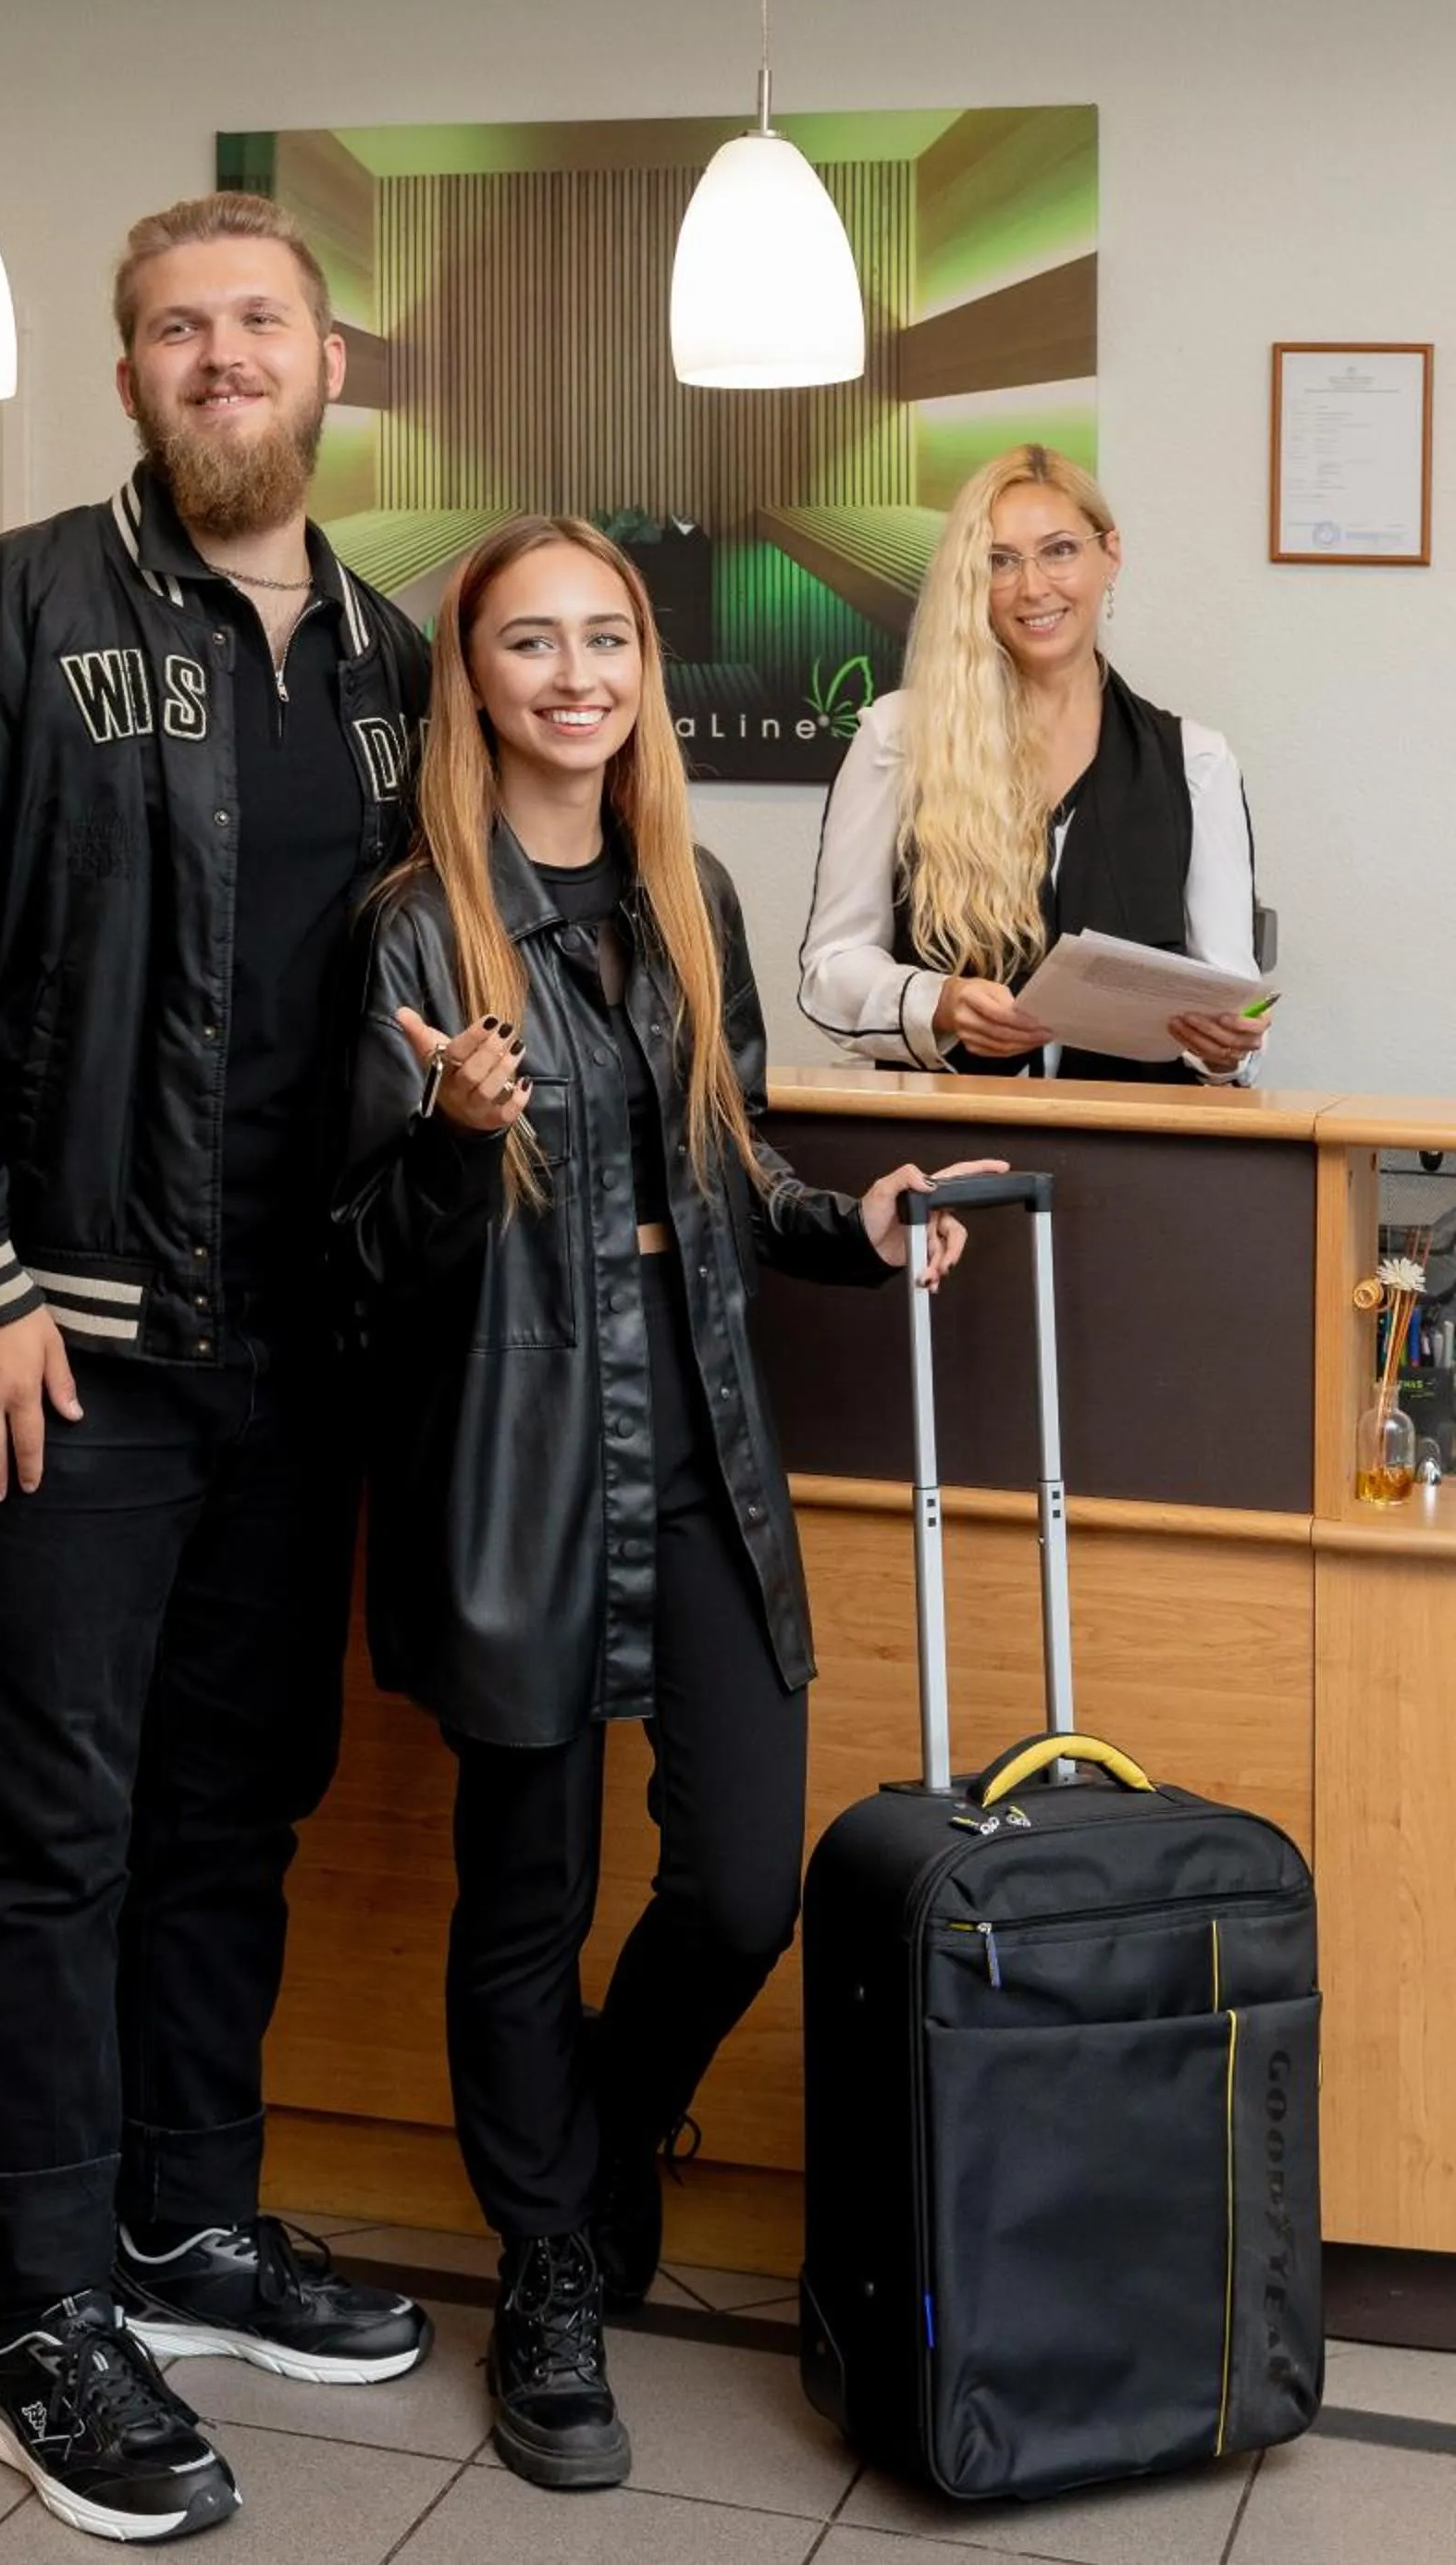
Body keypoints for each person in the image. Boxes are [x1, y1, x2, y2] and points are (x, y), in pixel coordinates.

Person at [0, 192, 434, 2546]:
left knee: (222, 1811)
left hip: (298, 1361)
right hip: (53, 1356)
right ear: (126, 377)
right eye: (175, 327)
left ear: (327, 361)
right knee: (43, 1834)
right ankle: (42, 2306)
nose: (219, 356)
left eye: (256, 319)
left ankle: (183, 2222)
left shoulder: (384, 658)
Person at [332, 515, 996, 2492]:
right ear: (473, 679)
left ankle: (603, 2134)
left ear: (639, 667)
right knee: (519, 1896)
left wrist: (848, 1227)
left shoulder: (685, 887)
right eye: (526, 643)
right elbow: (355, 1252)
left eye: (602, 637)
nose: (572, 674)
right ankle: (547, 2267)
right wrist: (454, 1142)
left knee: (733, 1882)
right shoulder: (406, 928)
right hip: (514, 1450)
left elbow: (723, 1164)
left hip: (697, 1434)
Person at [798, 442, 1270, 1083]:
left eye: (1060, 550)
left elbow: (1230, 993)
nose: (1033, 586)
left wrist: (1225, 1048)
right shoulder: (897, 737)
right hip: (948, 1148)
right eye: (999, 561)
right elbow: (832, 970)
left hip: (1141, 1151)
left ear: (1111, 553)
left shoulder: (1197, 762)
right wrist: (940, 1002)